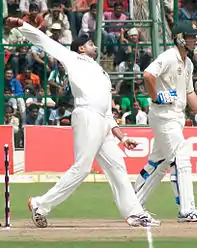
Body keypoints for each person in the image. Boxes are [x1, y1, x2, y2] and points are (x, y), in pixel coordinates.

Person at [6, 17, 160, 228]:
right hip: (86, 115)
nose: (94, 45)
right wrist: (20, 24)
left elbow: (107, 112)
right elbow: (43, 40)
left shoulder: (103, 74)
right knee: (82, 168)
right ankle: (40, 204)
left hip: (102, 122)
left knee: (117, 167)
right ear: (80, 49)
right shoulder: (72, 58)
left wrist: (122, 137)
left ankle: (134, 213)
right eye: (90, 44)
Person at [134, 21, 197, 222]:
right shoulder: (168, 57)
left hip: (176, 116)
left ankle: (133, 203)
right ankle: (186, 210)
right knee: (181, 157)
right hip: (164, 116)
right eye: (190, 37)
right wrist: (156, 96)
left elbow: (189, 92)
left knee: (159, 162)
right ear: (180, 38)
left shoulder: (187, 63)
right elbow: (148, 75)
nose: (194, 40)